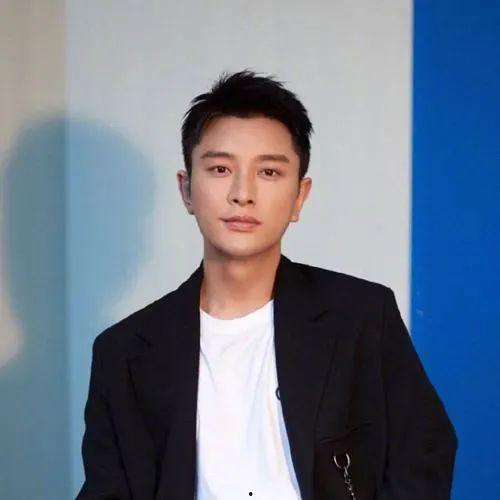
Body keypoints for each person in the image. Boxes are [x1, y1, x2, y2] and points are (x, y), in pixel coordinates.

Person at [76, 70, 458, 500]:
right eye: (220, 168)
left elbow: (424, 454)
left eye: (269, 172)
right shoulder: (123, 352)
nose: (243, 193)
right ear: (186, 189)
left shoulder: (361, 316)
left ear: (299, 196)